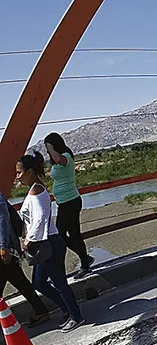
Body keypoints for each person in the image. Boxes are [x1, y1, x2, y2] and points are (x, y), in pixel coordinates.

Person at [15, 153, 84, 332]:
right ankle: (66, 309)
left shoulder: (37, 191)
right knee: (39, 282)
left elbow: (40, 219)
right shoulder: (34, 189)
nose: (18, 176)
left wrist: (29, 239)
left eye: (19, 172)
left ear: (30, 172)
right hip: (44, 243)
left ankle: (76, 316)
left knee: (59, 283)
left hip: (49, 243)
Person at [43, 133, 94, 279]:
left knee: (71, 234)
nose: (48, 151)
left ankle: (85, 262)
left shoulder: (66, 156)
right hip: (64, 203)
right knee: (62, 235)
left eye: (48, 148)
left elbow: (59, 159)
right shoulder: (58, 161)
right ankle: (85, 258)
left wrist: (50, 147)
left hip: (70, 202)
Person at [0, 188, 50, 327]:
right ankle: (41, 311)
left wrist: (3, 246)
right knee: (20, 281)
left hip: (5, 249)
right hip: (7, 251)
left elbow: (3, 218)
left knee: (19, 280)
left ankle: (41, 311)